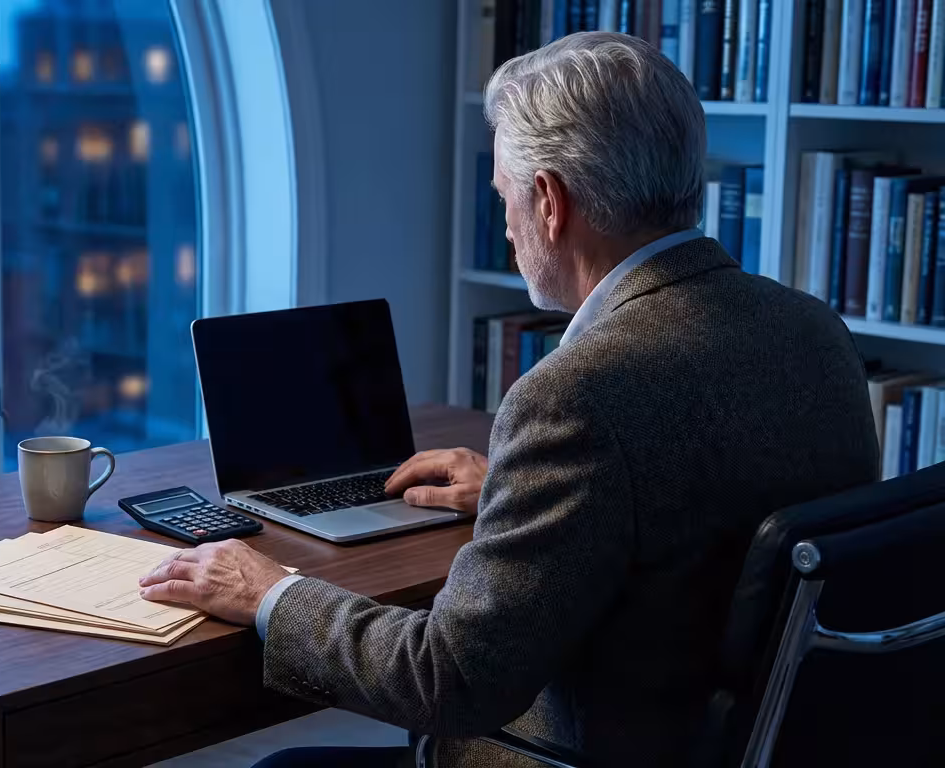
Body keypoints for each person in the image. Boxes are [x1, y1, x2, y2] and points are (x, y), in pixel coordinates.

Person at [138, 32, 879, 767]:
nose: (505, 225)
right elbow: (709, 505)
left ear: (550, 203)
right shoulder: (812, 329)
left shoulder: (577, 396)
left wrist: (273, 592)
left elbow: (448, 678)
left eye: (504, 198)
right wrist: (516, 489)